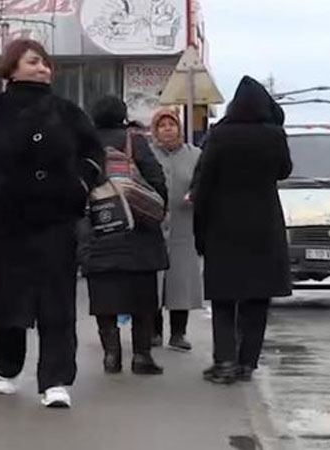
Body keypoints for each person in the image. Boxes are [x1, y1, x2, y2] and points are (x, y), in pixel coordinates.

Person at [0, 39, 104, 408]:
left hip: (55, 222)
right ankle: (6, 368)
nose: (43, 69)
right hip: (0, 225)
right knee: (5, 299)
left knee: (56, 301)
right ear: (12, 66)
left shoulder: (68, 113)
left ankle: (55, 380)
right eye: (34, 62)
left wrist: (79, 185)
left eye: (46, 63)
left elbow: (93, 153)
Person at [193, 76, 292, 385]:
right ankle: (247, 363)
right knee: (257, 300)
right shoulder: (274, 136)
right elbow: (284, 170)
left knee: (224, 299)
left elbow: (204, 183)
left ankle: (223, 363)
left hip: (223, 228)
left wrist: (200, 230)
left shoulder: (220, 135)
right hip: (264, 229)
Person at [79, 96, 169, 376]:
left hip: (98, 228)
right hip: (137, 231)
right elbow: (156, 178)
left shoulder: (83, 143)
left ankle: (111, 355)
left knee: (103, 294)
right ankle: (142, 356)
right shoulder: (135, 140)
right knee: (142, 297)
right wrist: (153, 206)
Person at [149, 108, 204, 351]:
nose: (168, 129)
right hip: (153, 225)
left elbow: (204, 180)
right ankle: (154, 332)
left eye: (172, 125)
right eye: (162, 125)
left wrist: (196, 194)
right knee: (154, 281)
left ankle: (178, 333)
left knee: (181, 281)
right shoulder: (147, 154)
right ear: (156, 131)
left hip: (185, 224)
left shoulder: (195, 154)